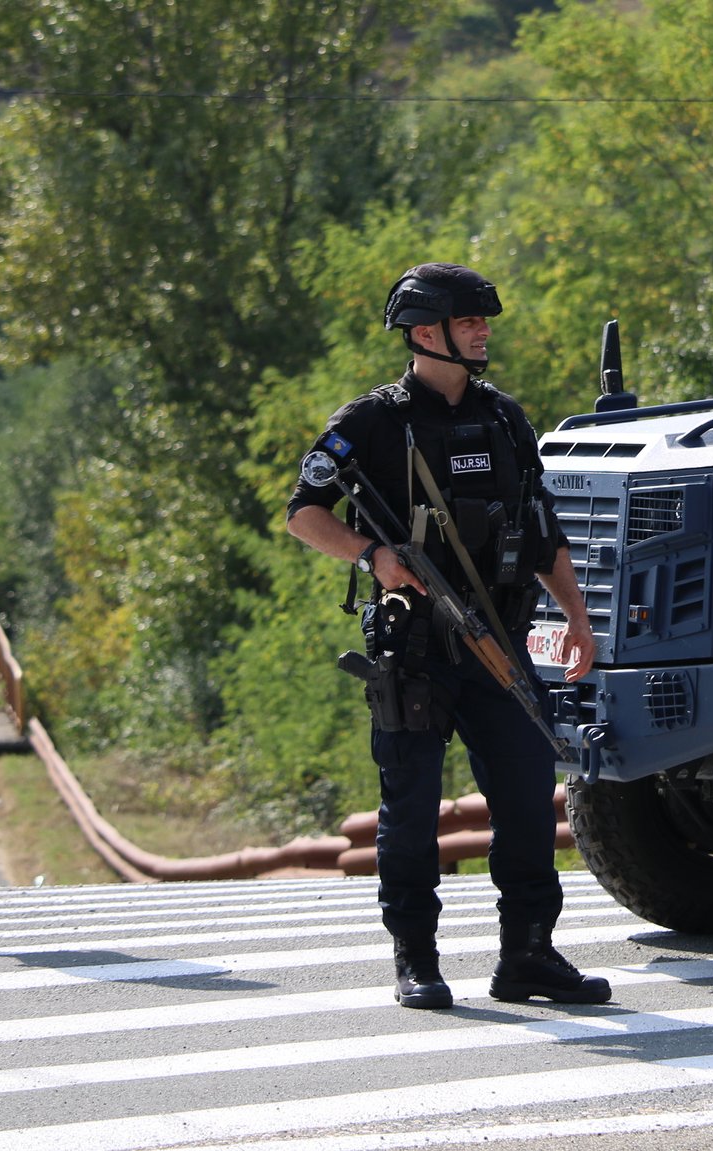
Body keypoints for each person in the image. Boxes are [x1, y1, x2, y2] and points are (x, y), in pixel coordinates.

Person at [286, 262, 605, 1009]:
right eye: (470, 322)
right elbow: (304, 510)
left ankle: (528, 954)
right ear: (426, 334)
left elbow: (542, 531)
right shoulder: (371, 423)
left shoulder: (505, 419)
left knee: (528, 795)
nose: (484, 332)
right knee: (412, 808)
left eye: (483, 321)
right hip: (419, 650)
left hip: (499, 644)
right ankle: (417, 959)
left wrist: (578, 617)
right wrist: (373, 555)